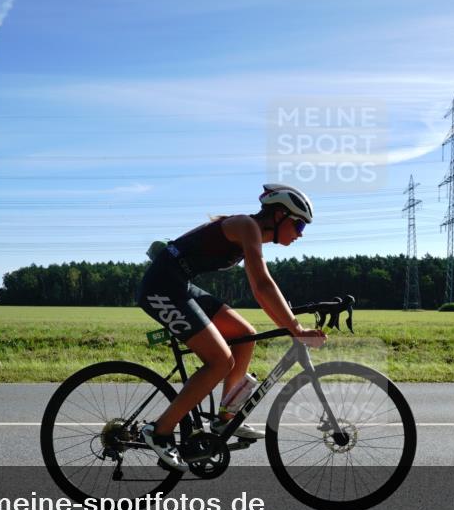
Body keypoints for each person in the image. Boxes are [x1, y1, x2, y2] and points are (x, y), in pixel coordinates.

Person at [137, 184, 327, 471]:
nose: (300, 233)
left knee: (244, 335)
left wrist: (290, 322)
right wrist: (295, 328)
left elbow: (263, 290)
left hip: (179, 284)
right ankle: (160, 431)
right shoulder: (246, 225)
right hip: (161, 287)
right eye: (299, 224)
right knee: (220, 361)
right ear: (279, 216)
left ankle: (225, 418)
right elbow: (261, 285)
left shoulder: (249, 231)